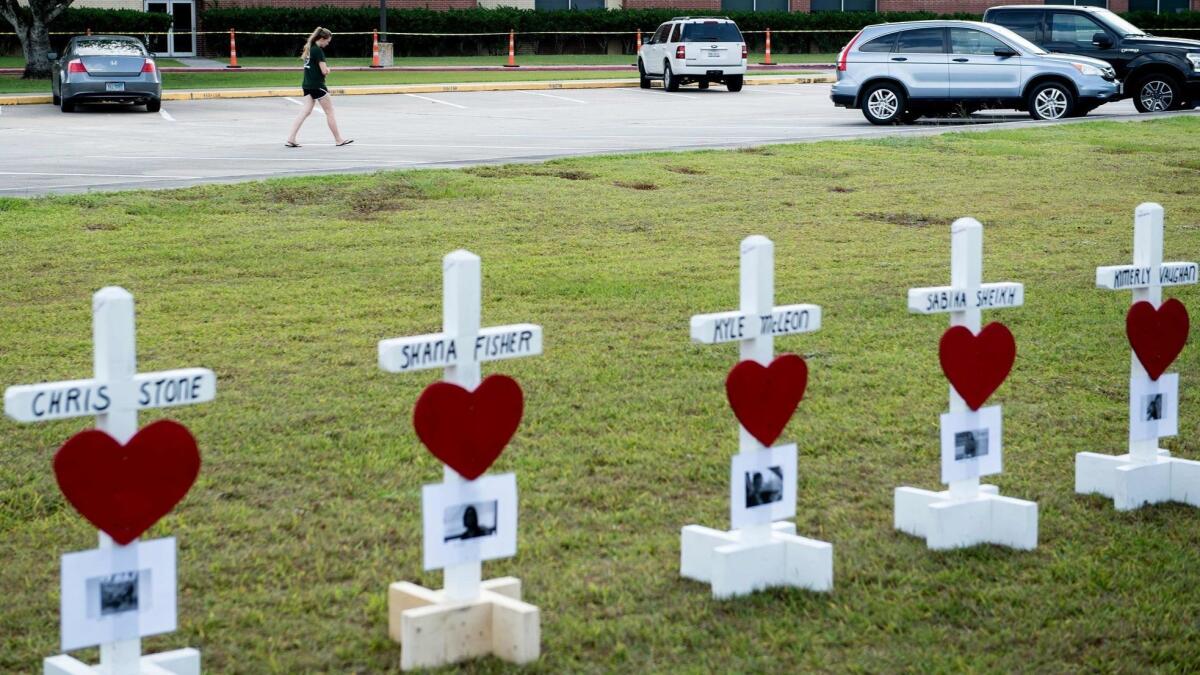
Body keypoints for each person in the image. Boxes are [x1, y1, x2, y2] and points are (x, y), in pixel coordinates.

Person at [285, 27, 352, 148]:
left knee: (305, 111)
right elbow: (324, 71)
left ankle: (291, 138)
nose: (328, 43)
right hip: (317, 85)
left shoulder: (309, 49)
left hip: (307, 84)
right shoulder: (318, 51)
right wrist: (328, 70)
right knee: (330, 112)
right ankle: (338, 139)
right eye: (327, 41)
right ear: (322, 38)